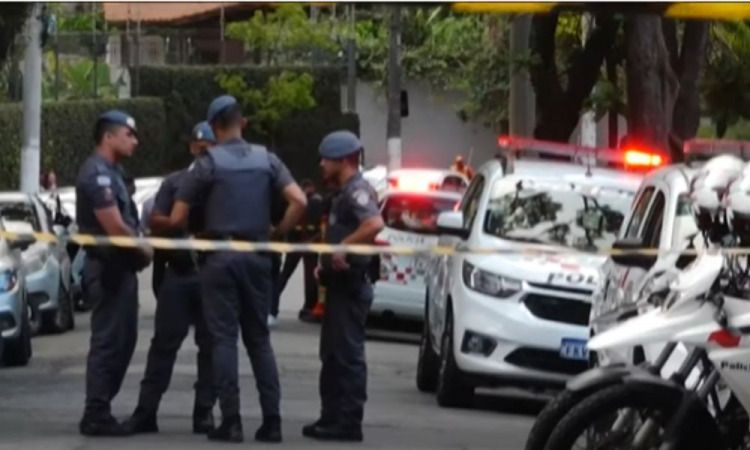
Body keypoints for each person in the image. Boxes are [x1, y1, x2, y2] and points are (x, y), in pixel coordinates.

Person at [167, 95, 307, 443]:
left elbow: (177, 217)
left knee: (224, 339)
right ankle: (272, 421)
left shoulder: (206, 164)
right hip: (259, 256)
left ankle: (231, 421)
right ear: (242, 123)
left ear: (214, 128)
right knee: (259, 340)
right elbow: (299, 201)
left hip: (220, 258)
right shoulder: (268, 160)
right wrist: (277, 232)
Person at [126, 121, 218, 435]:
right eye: (200, 146)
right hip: (179, 273)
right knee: (163, 346)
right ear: (192, 147)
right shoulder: (175, 182)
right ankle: (146, 411)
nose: (204, 152)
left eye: (210, 147)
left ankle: (204, 412)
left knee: (211, 348)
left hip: (211, 274)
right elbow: (156, 223)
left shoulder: (224, 183)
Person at [302, 131, 384, 442]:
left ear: (346, 160)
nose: (321, 164)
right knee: (333, 355)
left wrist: (343, 248)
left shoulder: (357, 191)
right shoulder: (342, 192)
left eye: (327, 159)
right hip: (337, 288)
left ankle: (349, 422)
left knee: (347, 356)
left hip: (351, 288)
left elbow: (374, 224)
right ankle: (330, 417)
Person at [75, 110, 152, 436]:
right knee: (109, 342)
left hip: (120, 269)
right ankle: (96, 413)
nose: (134, 141)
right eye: (128, 134)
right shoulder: (98, 174)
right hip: (106, 268)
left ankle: (101, 406)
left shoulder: (115, 172)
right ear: (108, 137)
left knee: (124, 341)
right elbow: (114, 226)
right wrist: (144, 248)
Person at [274, 179, 324, 323]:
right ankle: (307, 307)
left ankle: (307, 307)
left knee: (306, 277)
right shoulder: (310, 201)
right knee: (293, 275)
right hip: (302, 242)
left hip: (305, 242)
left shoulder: (314, 201)